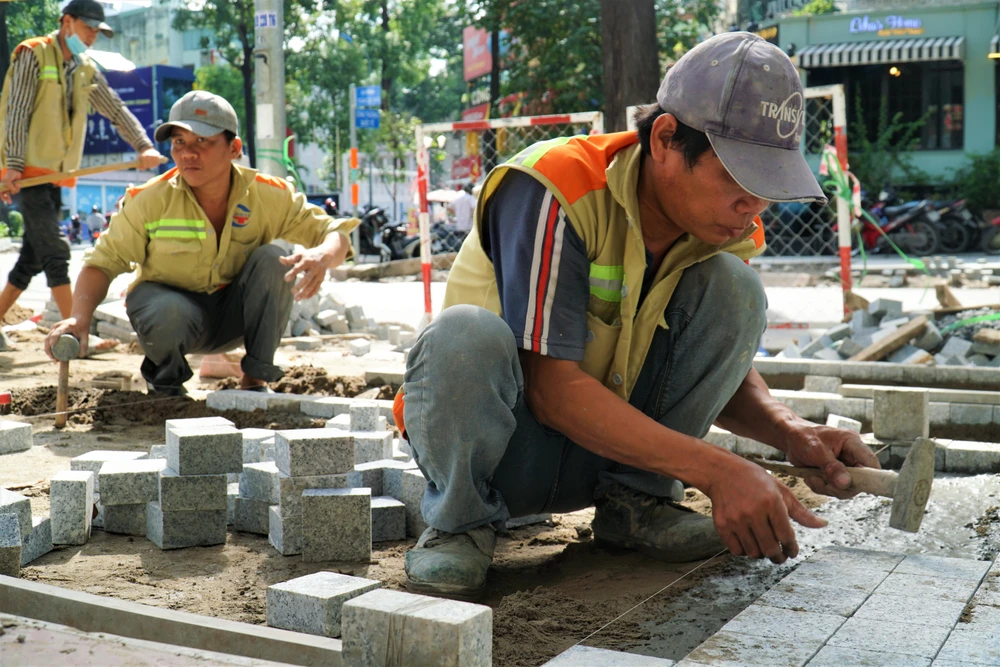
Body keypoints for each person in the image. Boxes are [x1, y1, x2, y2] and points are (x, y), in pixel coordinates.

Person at [394, 32, 881, 601]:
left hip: (606, 454)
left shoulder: (720, 227)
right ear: (667, 139)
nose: (754, 207)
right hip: (502, 453)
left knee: (736, 290)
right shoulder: (555, 187)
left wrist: (790, 432)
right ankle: (460, 522)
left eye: (767, 187)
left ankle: (636, 505)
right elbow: (551, 389)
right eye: (738, 179)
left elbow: (706, 367)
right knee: (463, 333)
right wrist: (719, 471)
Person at [44, 90, 358, 395]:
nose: (187, 153)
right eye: (179, 142)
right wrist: (79, 318)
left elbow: (335, 232)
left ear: (233, 148)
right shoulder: (150, 200)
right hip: (172, 316)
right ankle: (165, 386)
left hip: (232, 318)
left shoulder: (267, 195)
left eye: (202, 142)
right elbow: (102, 262)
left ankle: (254, 381)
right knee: (166, 310)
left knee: (273, 260)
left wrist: (321, 256)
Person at [0, 0, 163, 348]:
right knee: (57, 254)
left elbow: (114, 106)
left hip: (55, 175)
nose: (91, 37)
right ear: (66, 22)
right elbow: (16, 110)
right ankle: (76, 335)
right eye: (87, 28)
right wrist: (12, 165)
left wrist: (142, 144)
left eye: (97, 32)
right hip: (28, 173)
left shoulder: (85, 67)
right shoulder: (34, 54)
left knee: (31, 257)